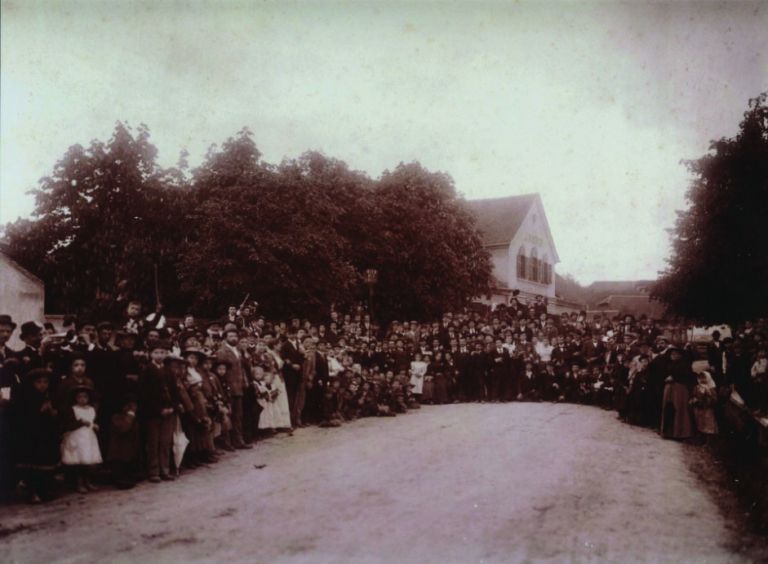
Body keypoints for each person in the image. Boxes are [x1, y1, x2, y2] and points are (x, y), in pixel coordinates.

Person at [12, 368, 59, 503]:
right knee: (32, 465)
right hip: (31, 437)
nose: (43, 385)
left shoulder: (48, 397)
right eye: (39, 382)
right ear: (32, 383)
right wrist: (39, 411)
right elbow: (22, 419)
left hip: (45, 437)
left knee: (45, 463)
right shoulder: (26, 397)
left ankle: (43, 490)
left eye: (45, 382)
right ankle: (32, 492)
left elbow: (53, 419)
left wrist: (52, 413)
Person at [60, 385, 103, 493]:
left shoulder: (91, 409)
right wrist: (81, 422)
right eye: (79, 397)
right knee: (79, 461)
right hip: (77, 436)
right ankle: (79, 483)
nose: (82, 399)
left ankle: (87, 481)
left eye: (85, 397)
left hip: (88, 437)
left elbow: (91, 421)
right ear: (75, 398)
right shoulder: (73, 409)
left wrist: (95, 425)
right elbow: (69, 424)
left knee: (88, 461)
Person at [660, 347, 695, 440]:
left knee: (679, 409)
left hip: (679, 389)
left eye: (676, 354)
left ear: (680, 355)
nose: (673, 356)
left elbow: (687, 376)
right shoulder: (669, 364)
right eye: (672, 354)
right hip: (669, 388)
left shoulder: (685, 365)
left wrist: (674, 377)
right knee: (667, 408)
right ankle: (668, 432)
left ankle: (680, 433)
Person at [690, 361, 718, 439]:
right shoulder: (697, 387)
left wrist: (707, 394)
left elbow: (714, 399)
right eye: (699, 378)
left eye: (703, 378)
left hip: (707, 409)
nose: (701, 380)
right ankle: (700, 437)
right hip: (699, 409)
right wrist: (694, 399)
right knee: (699, 423)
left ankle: (709, 440)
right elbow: (693, 395)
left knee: (708, 424)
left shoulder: (711, 387)